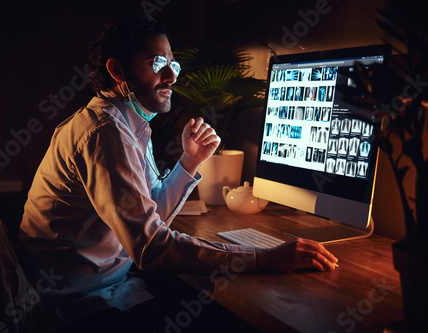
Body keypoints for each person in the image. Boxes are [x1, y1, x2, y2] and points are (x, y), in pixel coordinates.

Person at [18, 16, 338, 332]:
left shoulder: (126, 123)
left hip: (105, 284)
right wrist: (262, 258)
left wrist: (189, 162)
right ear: (117, 70)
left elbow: (150, 216)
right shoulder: (106, 133)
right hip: (81, 303)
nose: (172, 76)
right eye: (157, 63)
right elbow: (152, 247)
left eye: (173, 64)